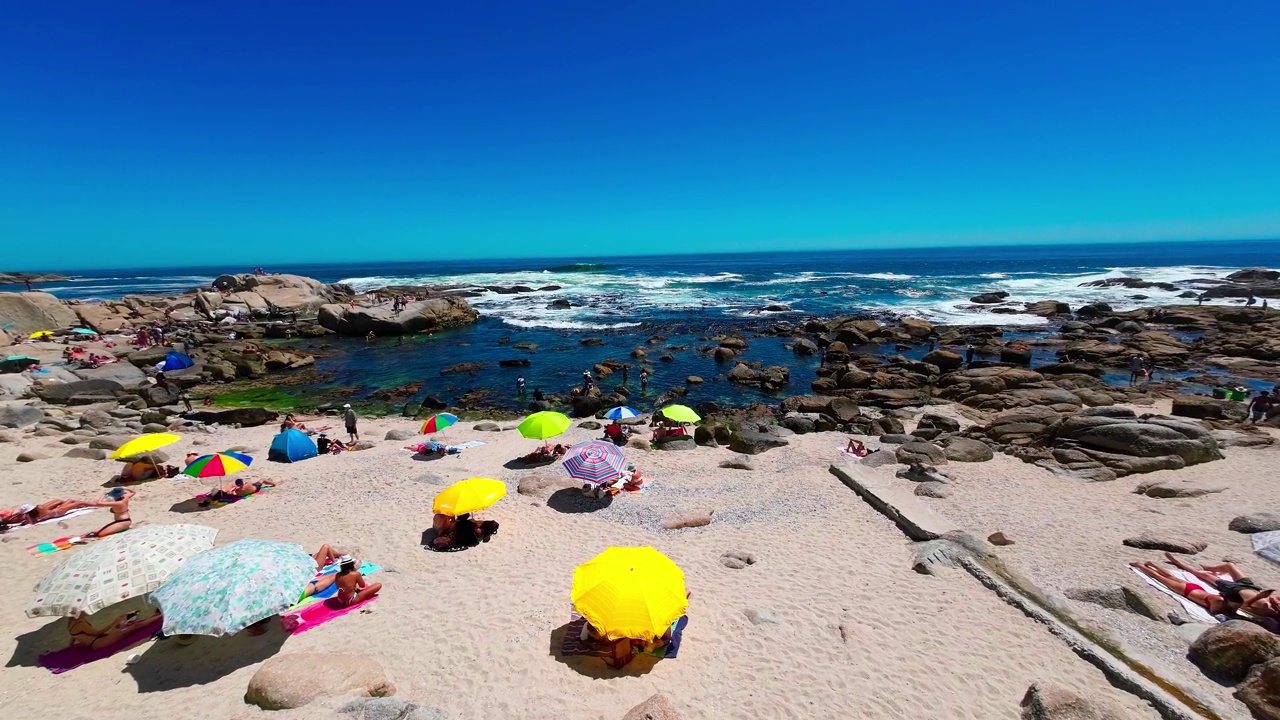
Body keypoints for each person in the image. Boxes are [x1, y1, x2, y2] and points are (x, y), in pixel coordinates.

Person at [1133, 554, 1280, 621]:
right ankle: (1145, 565)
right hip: (1191, 591)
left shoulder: (1228, 602)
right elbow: (1220, 613)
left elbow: (1247, 605)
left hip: (1198, 589)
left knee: (1171, 578)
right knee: (1165, 578)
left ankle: (1155, 564)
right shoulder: (1221, 604)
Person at [67, 609, 156, 650]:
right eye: (83, 610)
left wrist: (70, 648)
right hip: (99, 642)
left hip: (98, 640)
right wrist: (114, 622)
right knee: (134, 626)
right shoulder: (79, 624)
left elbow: (74, 636)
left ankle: (154, 616)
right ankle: (159, 616)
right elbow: (98, 633)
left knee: (126, 624)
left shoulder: (72, 622)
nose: (86, 611)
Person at [1, 498, 98, 528]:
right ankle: (95, 503)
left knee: (69, 502)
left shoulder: (30, 516)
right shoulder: (38, 511)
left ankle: (87, 504)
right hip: (58, 512)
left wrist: (14, 516)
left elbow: (29, 522)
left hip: (55, 512)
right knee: (74, 502)